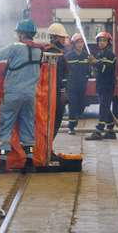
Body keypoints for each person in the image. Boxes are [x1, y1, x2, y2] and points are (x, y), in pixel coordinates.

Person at [0, 19, 43, 174]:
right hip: (29, 95)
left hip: (13, 94)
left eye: (18, 33)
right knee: (27, 126)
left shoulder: (15, 47)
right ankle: (29, 161)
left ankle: (3, 162)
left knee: (6, 126)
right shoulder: (38, 51)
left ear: (22, 34)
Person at [86, 31, 117, 141]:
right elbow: (97, 71)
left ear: (109, 42)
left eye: (104, 40)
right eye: (99, 41)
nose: (101, 43)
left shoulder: (110, 55)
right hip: (100, 84)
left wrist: (95, 62)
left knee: (103, 108)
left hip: (107, 85)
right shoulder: (99, 54)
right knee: (105, 107)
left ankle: (99, 131)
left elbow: (105, 68)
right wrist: (92, 64)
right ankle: (110, 131)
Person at [45, 23, 69, 160]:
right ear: (55, 37)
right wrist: (63, 92)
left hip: (49, 92)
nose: (64, 40)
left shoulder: (48, 50)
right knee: (54, 122)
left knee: (50, 122)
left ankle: (47, 149)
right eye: (62, 37)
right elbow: (60, 76)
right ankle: (47, 150)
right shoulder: (57, 53)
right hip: (56, 93)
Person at [66, 33, 90, 135]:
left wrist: (88, 76)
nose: (80, 44)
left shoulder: (86, 56)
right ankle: (71, 127)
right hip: (72, 85)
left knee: (81, 105)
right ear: (74, 44)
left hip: (82, 85)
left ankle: (76, 116)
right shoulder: (69, 56)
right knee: (73, 105)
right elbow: (65, 70)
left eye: (81, 42)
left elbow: (89, 69)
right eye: (78, 42)